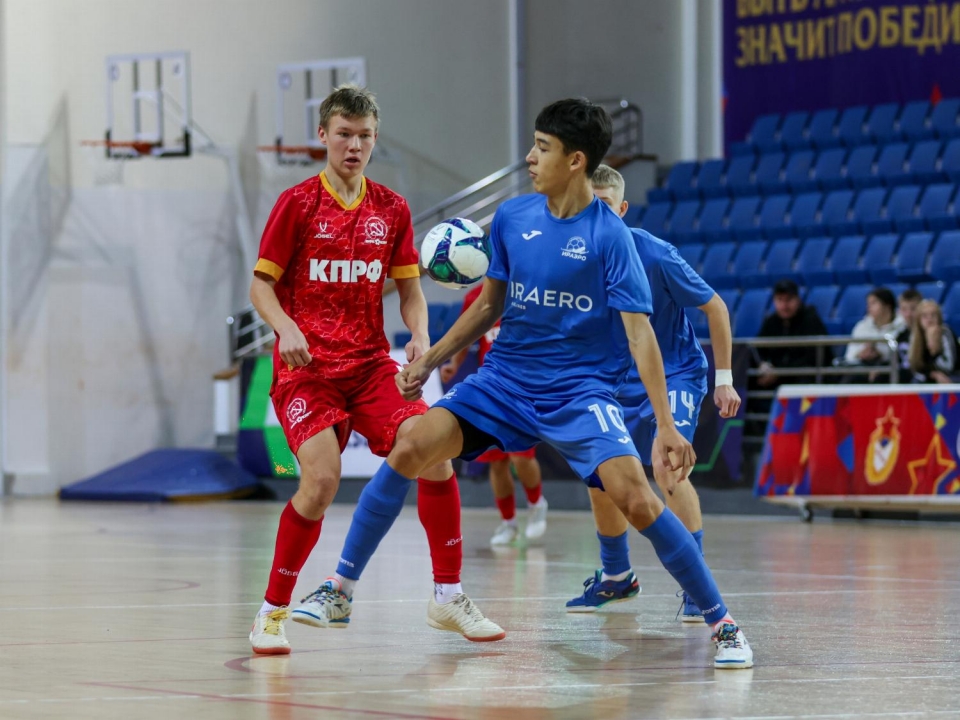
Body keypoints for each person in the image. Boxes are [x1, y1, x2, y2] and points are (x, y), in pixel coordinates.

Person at [303, 98, 753, 669]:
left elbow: (641, 337)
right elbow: (488, 306)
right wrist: (432, 358)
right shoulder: (513, 217)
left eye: (542, 147)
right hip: (505, 382)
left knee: (638, 497)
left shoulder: (611, 238)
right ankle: (340, 590)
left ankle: (723, 623)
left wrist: (665, 425)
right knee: (411, 444)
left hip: (580, 392)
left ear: (575, 160)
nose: (530, 157)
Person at [247, 85, 500, 654]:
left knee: (434, 451)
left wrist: (420, 337)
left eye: (364, 136)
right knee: (321, 481)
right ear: (323, 136)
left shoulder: (392, 208)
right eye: (344, 134)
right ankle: (271, 612)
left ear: (375, 138)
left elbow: (410, 290)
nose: (354, 145)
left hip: (368, 364)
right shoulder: (297, 204)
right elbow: (261, 286)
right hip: (307, 369)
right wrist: (285, 327)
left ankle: (448, 595)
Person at [563, 164, 740, 624]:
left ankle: (696, 585)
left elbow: (716, 307)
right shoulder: (573, 257)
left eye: (604, 205)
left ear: (622, 208)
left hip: (675, 372)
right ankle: (617, 578)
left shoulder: (656, 255)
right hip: (615, 377)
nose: (595, 214)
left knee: (668, 466)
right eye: (588, 204)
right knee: (601, 473)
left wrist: (724, 379)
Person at [440, 286, 548, 546]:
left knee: (521, 456)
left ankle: (536, 504)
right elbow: (466, 333)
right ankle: (508, 523)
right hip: (491, 387)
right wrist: (454, 364)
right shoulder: (475, 296)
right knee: (496, 462)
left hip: (524, 387)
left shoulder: (529, 288)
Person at [755, 279, 832, 388]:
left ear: (798, 299)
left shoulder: (810, 320)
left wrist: (780, 372)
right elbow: (758, 349)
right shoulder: (771, 321)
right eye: (780, 300)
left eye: (789, 300)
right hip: (776, 376)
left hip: (802, 376)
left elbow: (813, 357)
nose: (784, 306)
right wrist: (763, 364)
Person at [842, 287, 905, 382]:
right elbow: (849, 356)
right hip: (861, 369)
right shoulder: (861, 326)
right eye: (868, 304)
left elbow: (903, 356)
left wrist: (879, 354)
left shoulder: (902, 326)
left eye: (873, 303)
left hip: (888, 371)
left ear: (887, 306)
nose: (869, 307)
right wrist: (860, 354)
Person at [908, 299, 959, 383]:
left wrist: (935, 350)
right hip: (929, 377)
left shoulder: (946, 333)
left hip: (952, 375)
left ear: (939, 318)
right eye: (924, 316)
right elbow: (915, 367)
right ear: (919, 320)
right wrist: (933, 374)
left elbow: (949, 367)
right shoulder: (915, 336)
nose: (929, 319)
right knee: (915, 381)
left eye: (933, 315)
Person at [894, 289, 922, 382]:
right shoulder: (900, 336)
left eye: (913, 309)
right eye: (904, 309)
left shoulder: (928, 335)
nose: (908, 314)